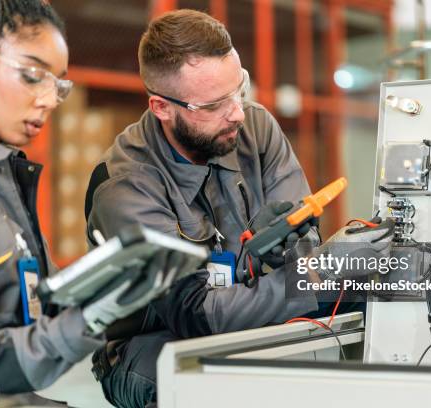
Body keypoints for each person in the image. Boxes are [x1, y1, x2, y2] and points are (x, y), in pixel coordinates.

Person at [85, 9, 392, 408]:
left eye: (239, 89)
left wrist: (288, 244)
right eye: (214, 104)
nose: (237, 112)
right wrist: (320, 271)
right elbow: (197, 314)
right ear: (162, 108)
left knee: (379, 296)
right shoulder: (126, 188)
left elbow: (305, 247)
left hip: (249, 310)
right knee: (187, 385)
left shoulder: (255, 129)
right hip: (154, 341)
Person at [0, 0, 167, 396]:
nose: (49, 99)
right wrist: (88, 318)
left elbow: (36, 301)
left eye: (58, 83)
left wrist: (105, 282)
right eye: (32, 74)